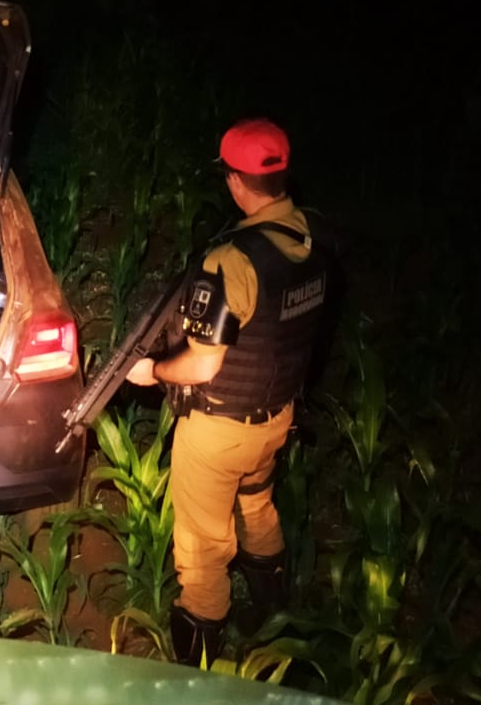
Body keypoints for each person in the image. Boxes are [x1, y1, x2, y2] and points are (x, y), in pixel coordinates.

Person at [126, 118, 330, 666]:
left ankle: (199, 666)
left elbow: (202, 363)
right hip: (277, 418)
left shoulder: (233, 261)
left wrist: (154, 370)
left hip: (218, 431)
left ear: (236, 182)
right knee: (257, 506)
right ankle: (275, 619)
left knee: (202, 548)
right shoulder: (309, 238)